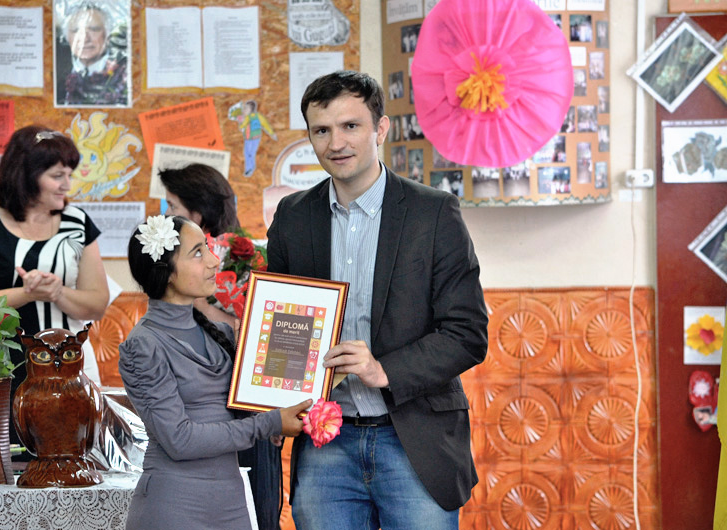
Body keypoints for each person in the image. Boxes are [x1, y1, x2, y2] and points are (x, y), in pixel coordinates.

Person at [266, 71, 488, 529]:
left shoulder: (433, 213)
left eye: (351, 126)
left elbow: (468, 333)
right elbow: (282, 325)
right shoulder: (293, 216)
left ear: (380, 129)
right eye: (321, 130)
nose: (336, 143)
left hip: (415, 440)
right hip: (326, 441)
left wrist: (383, 370)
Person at [119, 214, 310, 530]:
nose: (213, 260)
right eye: (198, 253)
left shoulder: (220, 333)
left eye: (208, 248)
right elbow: (180, 440)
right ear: (166, 272)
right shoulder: (144, 345)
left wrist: (269, 410)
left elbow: (233, 412)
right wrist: (269, 422)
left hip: (230, 503)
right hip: (173, 507)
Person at [0, 124, 109, 452]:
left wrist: (58, 292)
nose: (67, 185)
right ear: (26, 175)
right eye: (57, 175)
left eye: (69, 175)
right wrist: (28, 293)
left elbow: (97, 303)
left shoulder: (77, 222)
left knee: (70, 461)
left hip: (65, 371)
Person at [160, 163, 284, 530]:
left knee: (254, 509)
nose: (166, 216)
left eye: (172, 206)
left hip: (246, 405)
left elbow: (259, 336)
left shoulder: (250, 262)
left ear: (196, 215)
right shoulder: (170, 269)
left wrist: (202, 306)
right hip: (194, 415)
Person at [58, 3, 128, 106]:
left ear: (108, 36)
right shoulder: (57, 77)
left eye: (94, 29)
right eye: (76, 30)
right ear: (67, 37)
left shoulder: (125, 74)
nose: (85, 39)